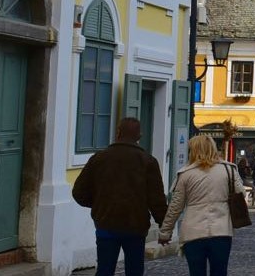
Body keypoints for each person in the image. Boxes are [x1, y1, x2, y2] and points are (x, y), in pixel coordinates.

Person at [72, 117, 168, 276]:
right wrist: (165, 226)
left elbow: (78, 192)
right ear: (139, 136)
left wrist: (98, 204)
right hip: (135, 225)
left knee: (104, 270)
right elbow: (156, 199)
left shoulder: (99, 158)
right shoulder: (148, 161)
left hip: (106, 223)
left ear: (118, 133)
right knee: (134, 270)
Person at [158, 135, 244, 276]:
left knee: (196, 272)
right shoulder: (228, 170)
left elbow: (175, 207)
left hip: (193, 232)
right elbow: (241, 193)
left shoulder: (186, 174)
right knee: (220, 271)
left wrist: (165, 232)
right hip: (221, 230)